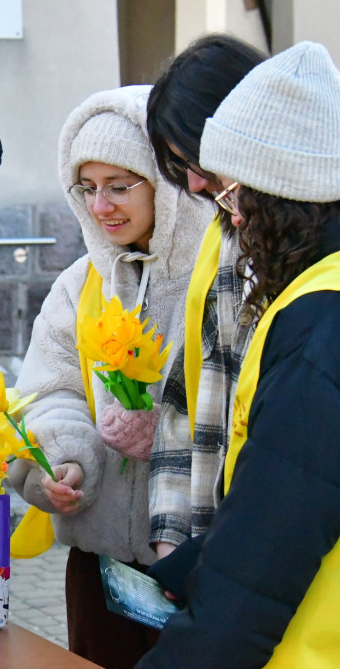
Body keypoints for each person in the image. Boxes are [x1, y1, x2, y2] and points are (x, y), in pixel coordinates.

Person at [138, 41, 340, 667]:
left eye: (229, 197)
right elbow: (339, 491)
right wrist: (203, 557)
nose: (231, 223)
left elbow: (247, 596)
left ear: (273, 194)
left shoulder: (327, 329)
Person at [7, 86, 210, 669]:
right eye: (88, 188)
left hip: (193, 561)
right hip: (99, 569)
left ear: (166, 181)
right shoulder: (80, 284)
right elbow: (49, 391)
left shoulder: (217, 277)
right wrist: (66, 460)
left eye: (120, 186)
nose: (102, 206)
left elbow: (245, 406)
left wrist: (170, 431)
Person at [143, 34, 267, 584]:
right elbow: (187, 397)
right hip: (215, 564)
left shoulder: (332, 259)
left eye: (195, 158)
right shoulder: (224, 234)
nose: (193, 183)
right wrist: (171, 539)